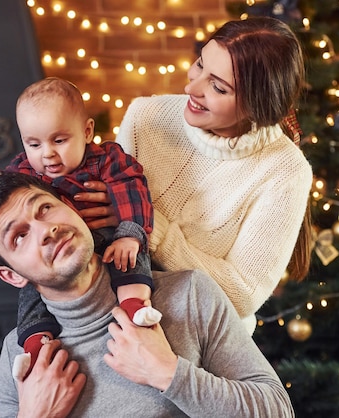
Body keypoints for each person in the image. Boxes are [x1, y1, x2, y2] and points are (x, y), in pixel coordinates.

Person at [0, 172, 295, 417]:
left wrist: (168, 373)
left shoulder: (188, 294)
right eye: (20, 236)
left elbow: (278, 411)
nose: (46, 230)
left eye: (45, 209)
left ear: (70, 207)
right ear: (11, 275)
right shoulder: (20, 355)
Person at [75, 16, 314, 335]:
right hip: (112, 322)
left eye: (217, 86)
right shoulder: (146, 117)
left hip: (205, 339)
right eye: (200, 64)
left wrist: (148, 224)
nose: (191, 87)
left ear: (259, 103)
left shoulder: (285, 171)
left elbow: (242, 295)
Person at [0, 77, 161, 380]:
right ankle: (35, 344)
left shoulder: (105, 160)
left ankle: (135, 302)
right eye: (34, 144)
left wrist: (130, 230)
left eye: (59, 141)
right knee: (33, 292)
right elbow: (2, 183)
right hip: (58, 265)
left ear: (87, 131)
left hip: (108, 237)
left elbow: (132, 187)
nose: (47, 154)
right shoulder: (26, 170)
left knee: (130, 253)